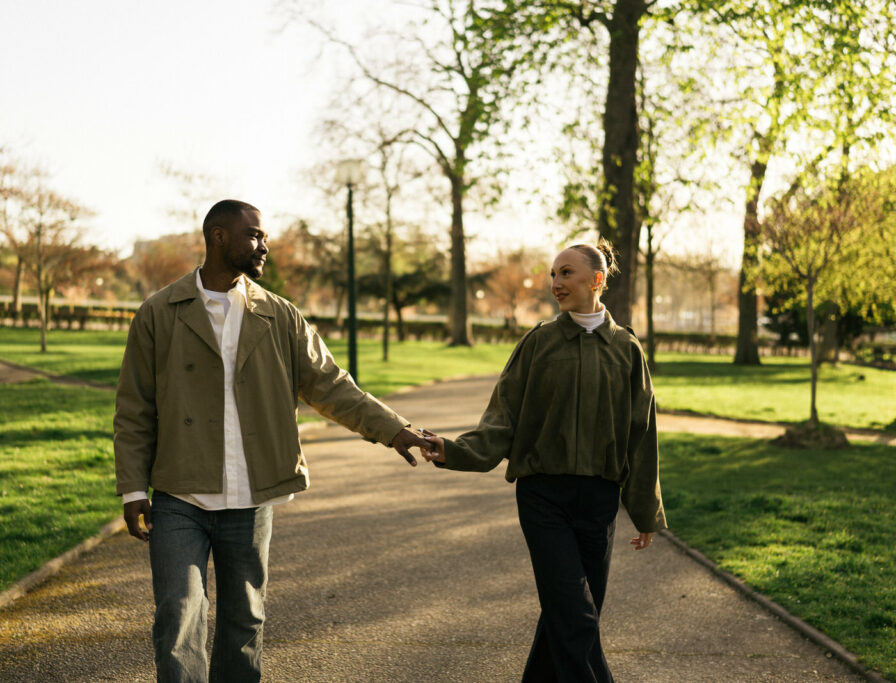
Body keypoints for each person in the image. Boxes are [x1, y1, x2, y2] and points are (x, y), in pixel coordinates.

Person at [114, 199, 433, 682]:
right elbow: (135, 407)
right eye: (255, 236)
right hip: (181, 493)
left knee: (244, 620)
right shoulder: (160, 312)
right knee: (179, 617)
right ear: (219, 237)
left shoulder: (280, 316)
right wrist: (134, 488)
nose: (265, 246)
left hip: (252, 495)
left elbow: (330, 384)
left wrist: (393, 429)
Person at [420, 240, 666, 683]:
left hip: (598, 499)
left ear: (597, 280)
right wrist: (454, 450)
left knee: (567, 616)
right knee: (576, 617)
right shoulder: (539, 342)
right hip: (543, 497)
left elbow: (641, 435)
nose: (555, 283)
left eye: (566, 273)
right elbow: (502, 418)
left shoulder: (627, 350)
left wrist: (645, 510)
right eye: (553, 273)